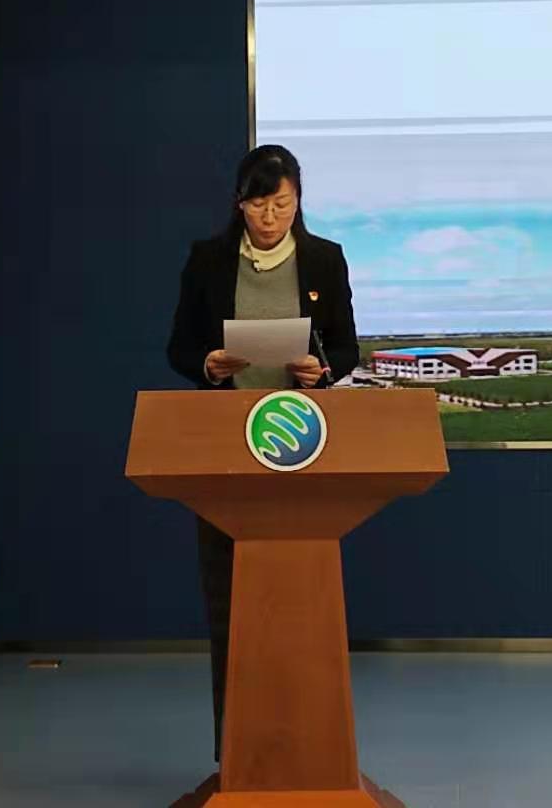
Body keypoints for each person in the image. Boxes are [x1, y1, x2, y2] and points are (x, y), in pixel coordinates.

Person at [165, 144, 359, 761]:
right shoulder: (208, 261)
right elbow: (178, 347)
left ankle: (309, 748)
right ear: (239, 203)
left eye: (283, 204)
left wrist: (322, 372)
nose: (271, 217)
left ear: (298, 201)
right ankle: (238, 753)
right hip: (228, 446)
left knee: (301, 598)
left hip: (303, 441)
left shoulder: (325, 259)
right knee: (231, 601)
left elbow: (347, 348)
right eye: (259, 205)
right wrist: (207, 364)